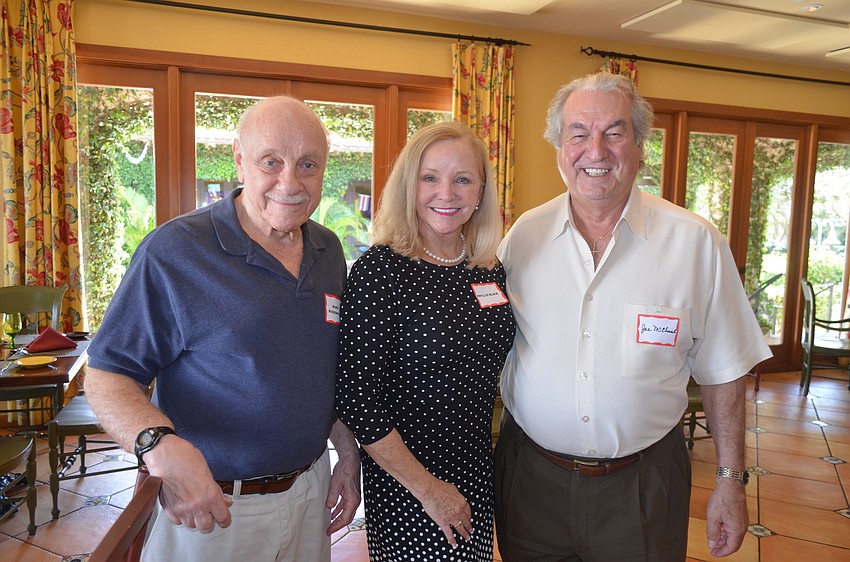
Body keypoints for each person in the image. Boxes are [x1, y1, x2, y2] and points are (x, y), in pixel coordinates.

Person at [494, 73, 772, 561]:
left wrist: (730, 480)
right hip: (530, 481)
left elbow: (726, 371)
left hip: (643, 487)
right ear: (559, 147)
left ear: (640, 145)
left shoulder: (695, 243)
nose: (595, 151)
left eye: (614, 133)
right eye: (578, 133)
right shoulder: (523, 237)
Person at [84, 96, 361, 562]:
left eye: (308, 164)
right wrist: (158, 447)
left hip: (310, 491)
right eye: (270, 162)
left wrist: (347, 453)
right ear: (238, 161)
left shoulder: (328, 249)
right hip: (211, 506)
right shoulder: (174, 251)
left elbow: (314, 365)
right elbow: (107, 376)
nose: (289, 183)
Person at [336, 121, 516, 561]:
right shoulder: (381, 272)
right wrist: (430, 491)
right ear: (409, 186)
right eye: (430, 177)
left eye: (463, 179)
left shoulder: (486, 269)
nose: (447, 193)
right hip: (409, 486)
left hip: (475, 470)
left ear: (480, 193)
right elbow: (357, 397)